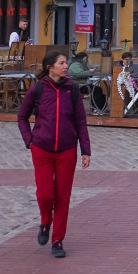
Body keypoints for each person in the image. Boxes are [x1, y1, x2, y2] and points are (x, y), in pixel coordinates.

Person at [18, 50, 91, 259]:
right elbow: (22, 117)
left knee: (62, 197)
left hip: (67, 150)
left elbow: (80, 122)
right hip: (41, 149)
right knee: (45, 194)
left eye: (66, 63)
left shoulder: (73, 90)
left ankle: (57, 240)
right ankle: (45, 222)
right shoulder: (38, 89)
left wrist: (85, 150)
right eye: (61, 63)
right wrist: (29, 141)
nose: (66, 66)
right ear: (50, 67)